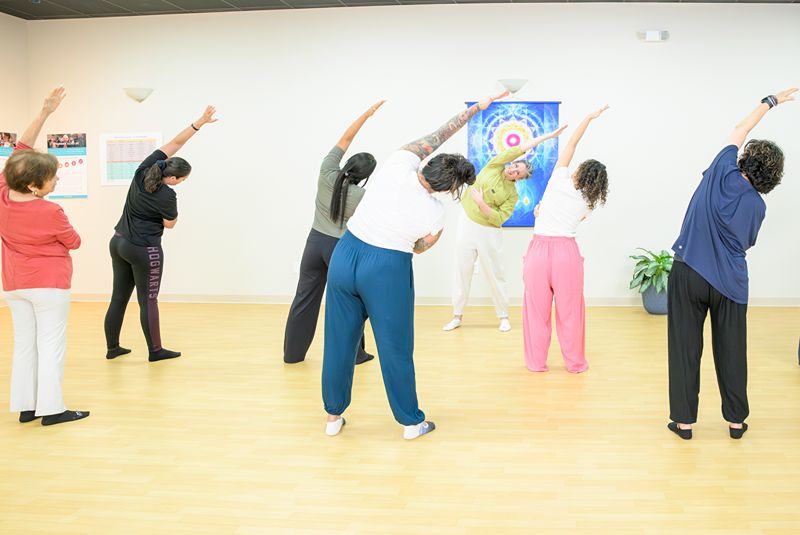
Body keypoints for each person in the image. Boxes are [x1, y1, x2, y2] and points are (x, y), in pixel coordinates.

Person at [322, 91, 508, 440]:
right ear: (449, 187)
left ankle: (333, 417)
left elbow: (436, 136)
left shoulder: (398, 164)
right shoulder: (435, 211)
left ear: (428, 164)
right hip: (386, 267)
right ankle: (411, 422)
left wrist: (473, 110)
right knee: (395, 346)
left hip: (346, 255)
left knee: (338, 340)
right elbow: (421, 247)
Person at [667, 88, 796, 440]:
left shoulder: (721, 170)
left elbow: (741, 128)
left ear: (746, 158)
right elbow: (746, 243)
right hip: (731, 284)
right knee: (732, 352)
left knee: (685, 348)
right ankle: (736, 422)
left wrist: (770, 102)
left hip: (689, 272)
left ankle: (684, 422)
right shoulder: (758, 206)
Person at [0, 87, 88, 426]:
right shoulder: (50, 211)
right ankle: (51, 409)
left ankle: (26, 406)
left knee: (25, 344)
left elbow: (20, 150)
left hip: (15, 285)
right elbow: (74, 242)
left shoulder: (3, 193)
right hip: (49, 286)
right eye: (51, 179)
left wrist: (45, 112)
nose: (56, 181)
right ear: (34, 186)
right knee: (51, 345)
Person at [103, 105, 218, 362]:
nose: (182, 183)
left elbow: (175, 143)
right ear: (174, 178)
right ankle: (155, 351)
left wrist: (199, 122)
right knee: (148, 300)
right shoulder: (167, 195)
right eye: (183, 179)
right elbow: (170, 224)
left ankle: (113, 348)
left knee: (118, 297)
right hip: (143, 249)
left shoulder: (143, 170)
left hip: (118, 242)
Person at [283, 101, 385, 365]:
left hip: (313, 244)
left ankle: (292, 354)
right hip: (340, 250)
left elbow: (345, 139)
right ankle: (356, 354)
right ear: (365, 176)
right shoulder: (362, 196)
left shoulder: (326, 172)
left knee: (304, 299)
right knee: (349, 303)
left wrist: (366, 115)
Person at [443, 124, 567, 333]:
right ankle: (457, 316)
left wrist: (482, 204)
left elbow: (499, 218)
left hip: (488, 232)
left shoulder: (512, 195)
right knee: (461, 269)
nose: (513, 170)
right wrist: (549, 136)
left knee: (495, 273)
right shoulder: (495, 165)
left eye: (517, 173)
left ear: (519, 179)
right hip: (466, 222)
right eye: (515, 166)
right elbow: (522, 148)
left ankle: (503, 316)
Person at [522, 105, 609, 373]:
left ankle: (536, 363)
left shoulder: (558, 178)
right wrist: (543, 211)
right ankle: (575, 363)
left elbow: (572, 143)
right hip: (566, 254)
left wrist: (588, 118)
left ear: (578, 170)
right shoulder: (588, 204)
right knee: (570, 311)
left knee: (536, 311)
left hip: (538, 251)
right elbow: (573, 219)